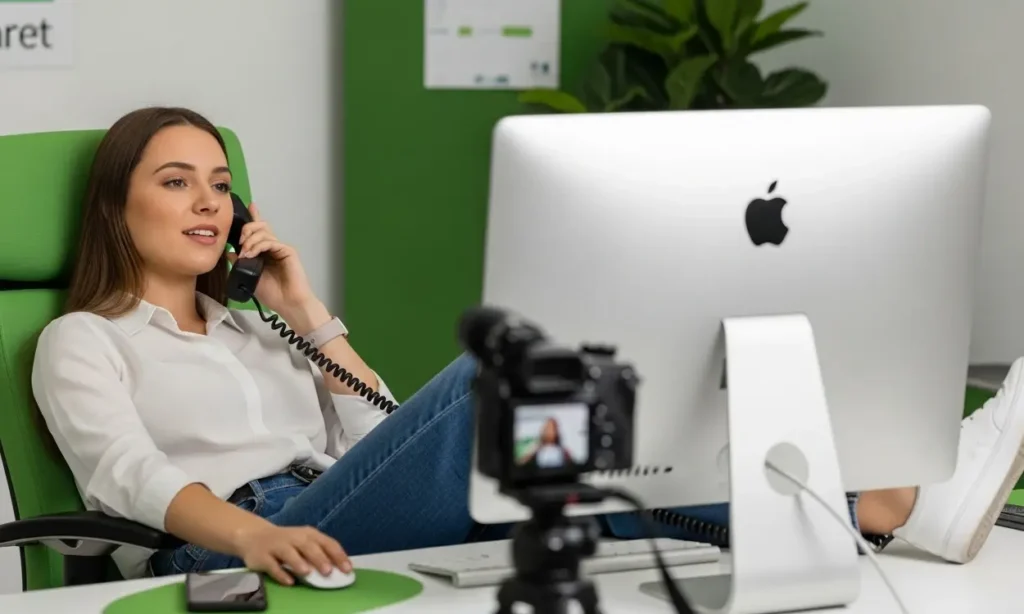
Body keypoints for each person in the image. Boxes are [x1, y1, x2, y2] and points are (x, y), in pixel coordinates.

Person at [30, 106, 1024, 586]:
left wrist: (305, 306)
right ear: (116, 204)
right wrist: (245, 532)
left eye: (218, 182)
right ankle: (894, 501)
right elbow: (122, 470)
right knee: (503, 371)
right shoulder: (84, 337)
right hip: (261, 528)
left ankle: (879, 500)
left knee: (600, 480)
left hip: (347, 504)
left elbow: (372, 422)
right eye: (174, 180)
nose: (208, 200)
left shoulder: (258, 324)